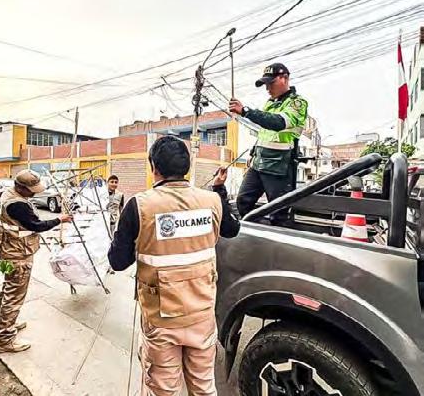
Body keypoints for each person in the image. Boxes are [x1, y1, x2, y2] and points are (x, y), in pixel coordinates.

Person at [108, 135, 240, 396]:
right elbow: (232, 229)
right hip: (202, 313)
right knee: (204, 387)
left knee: (163, 389)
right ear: (186, 166)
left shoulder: (139, 205)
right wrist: (219, 189)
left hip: (161, 321)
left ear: (153, 167)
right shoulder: (212, 201)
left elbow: (118, 261)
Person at [0, 169, 73, 353]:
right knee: (14, 295)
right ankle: (5, 340)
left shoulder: (9, 193)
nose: (35, 193)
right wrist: (59, 219)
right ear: (21, 187)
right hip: (17, 255)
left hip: (9, 248)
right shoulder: (17, 205)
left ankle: (4, 325)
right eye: (32, 190)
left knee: (8, 290)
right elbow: (36, 225)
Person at [229, 62, 308, 222]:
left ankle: (276, 236)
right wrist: (253, 153)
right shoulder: (270, 103)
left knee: (278, 213)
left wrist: (245, 111)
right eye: (265, 84)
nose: (267, 88)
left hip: (279, 165)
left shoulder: (297, 103)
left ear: (284, 78)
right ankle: (255, 233)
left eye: (271, 83)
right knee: (243, 202)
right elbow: (264, 132)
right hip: (258, 163)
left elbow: (278, 123)